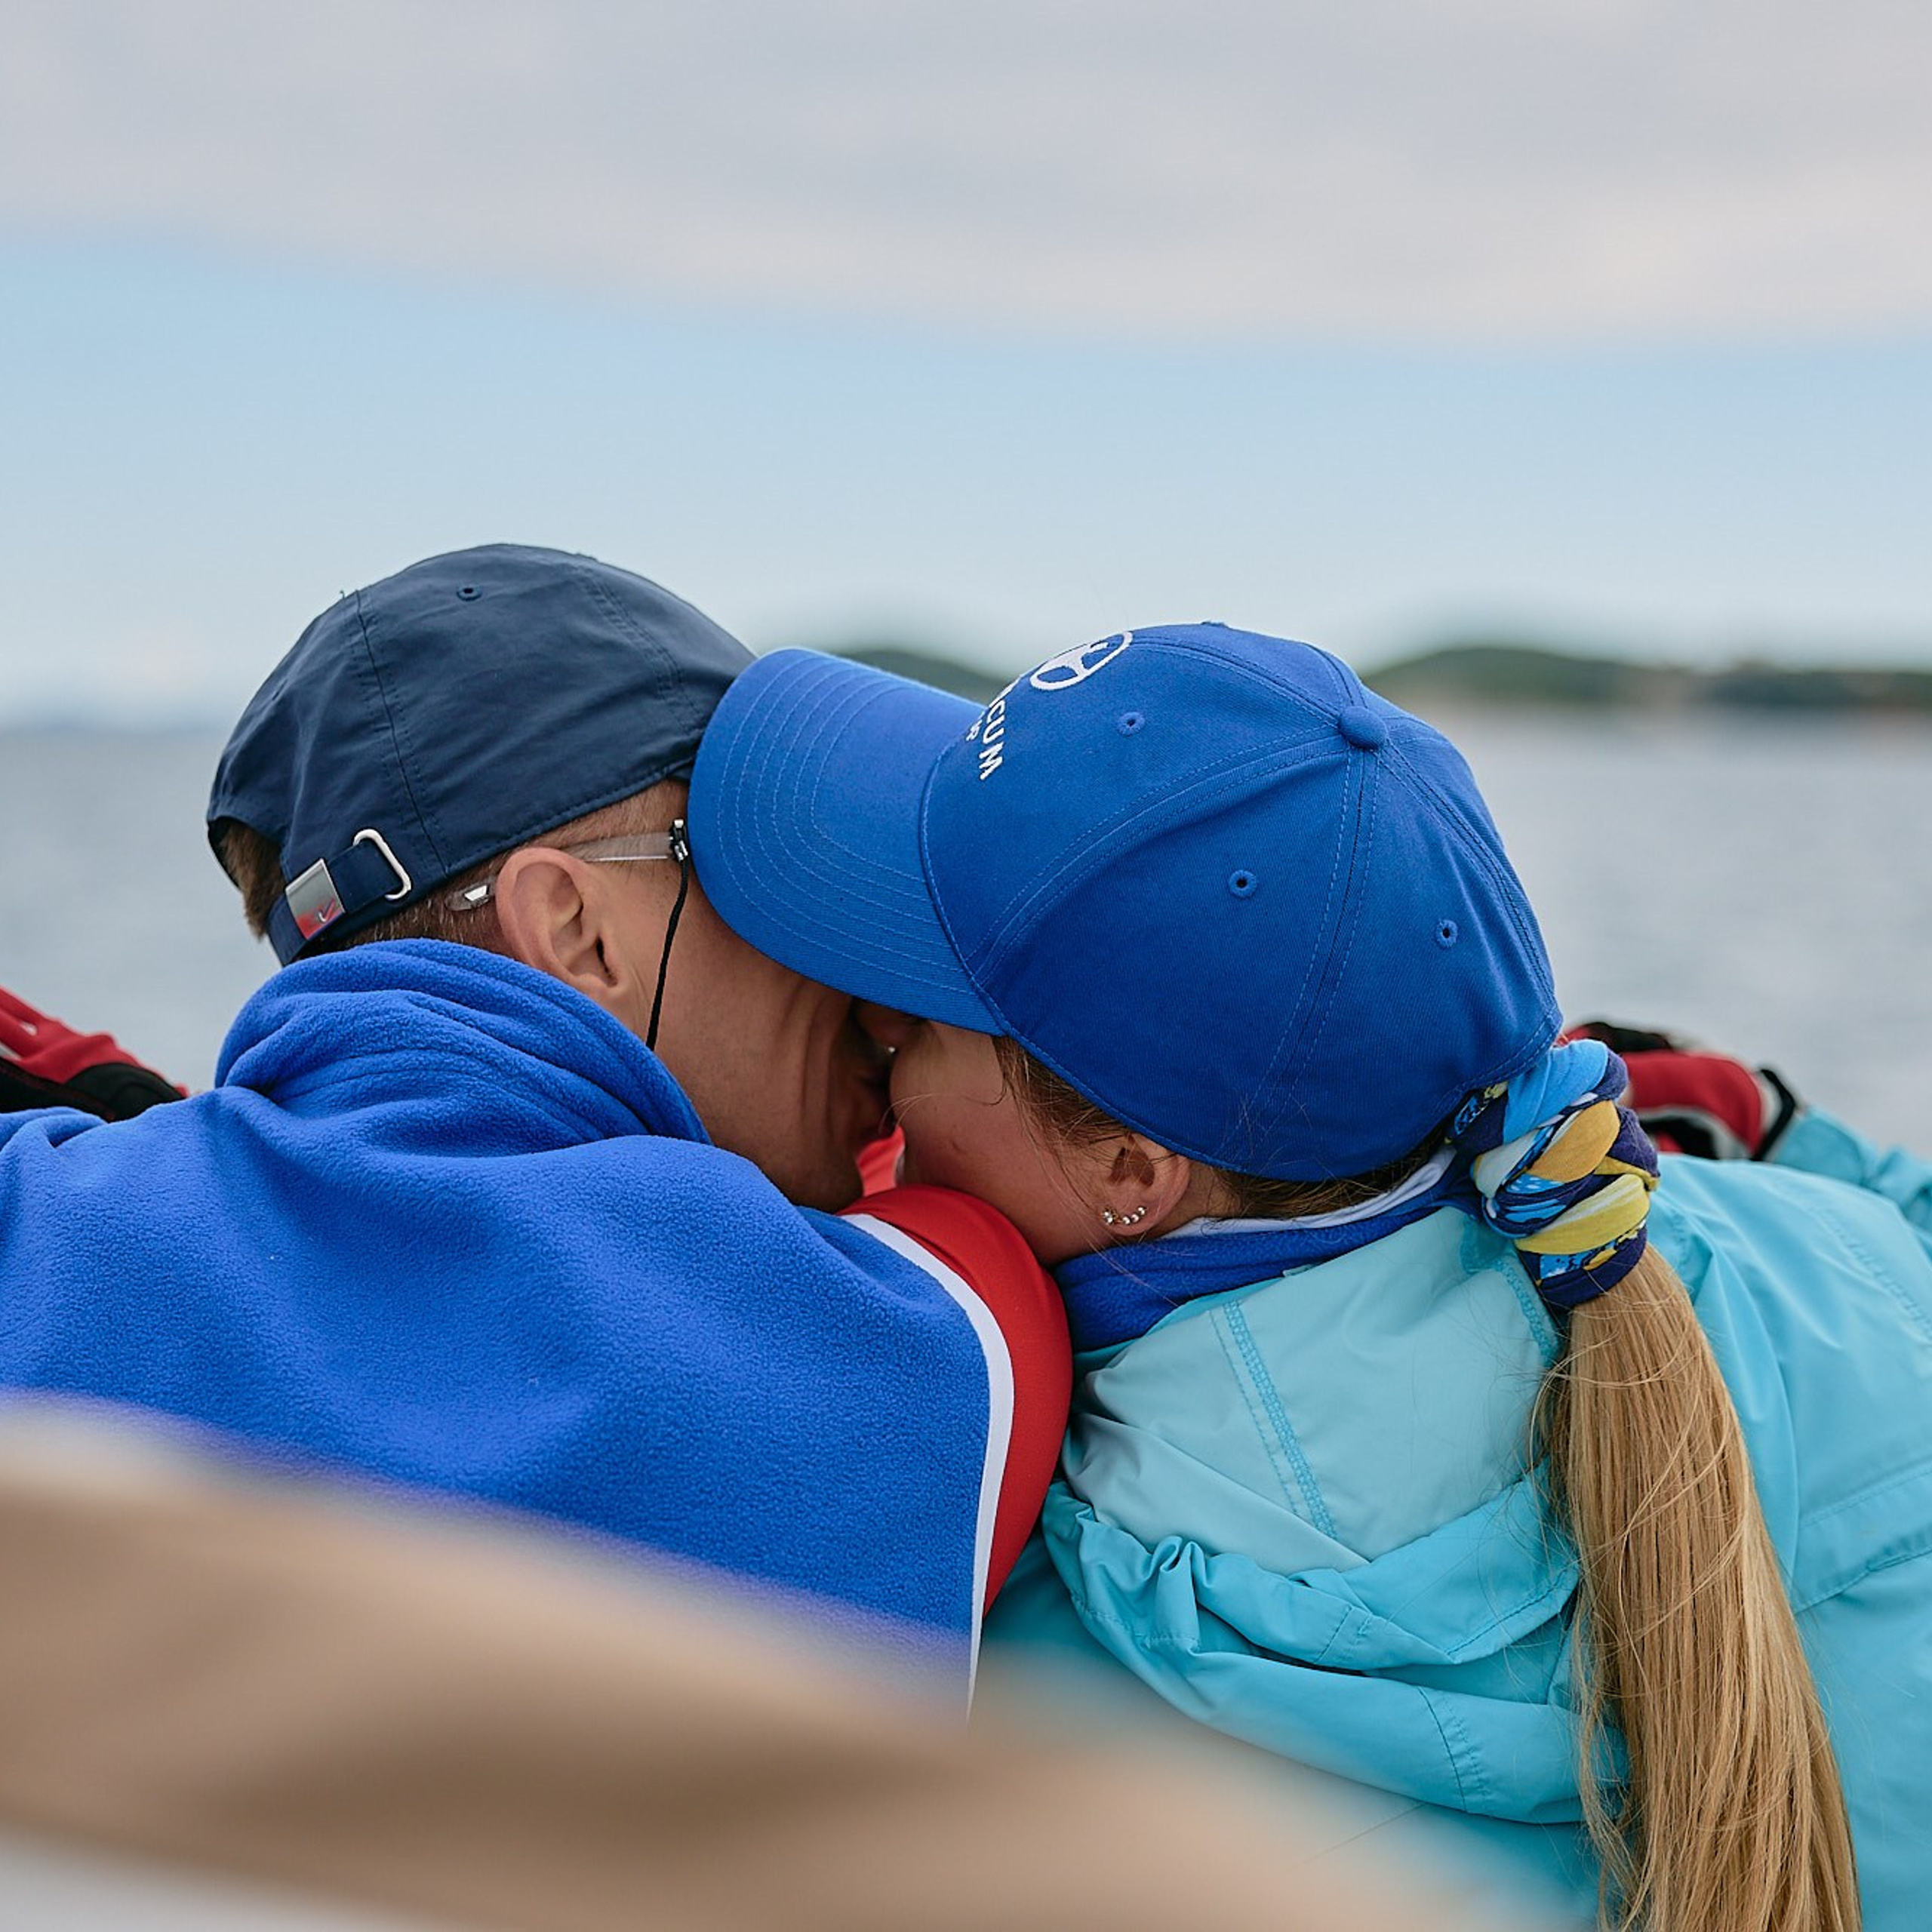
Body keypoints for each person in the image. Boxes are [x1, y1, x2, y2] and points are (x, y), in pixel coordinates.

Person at [684, 625, 1932, 1932]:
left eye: (920, 1021)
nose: (870, 1029)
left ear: (1129, 1167)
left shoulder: (996, 1644)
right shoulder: (1847, 1267)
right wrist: (1765, 1127)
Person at [0, 544, 1070, 1681]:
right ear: (573, 927)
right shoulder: (914, 1339)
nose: (859, 992)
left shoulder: (42, 1226)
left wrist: (151, 1132)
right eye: (760, 885)